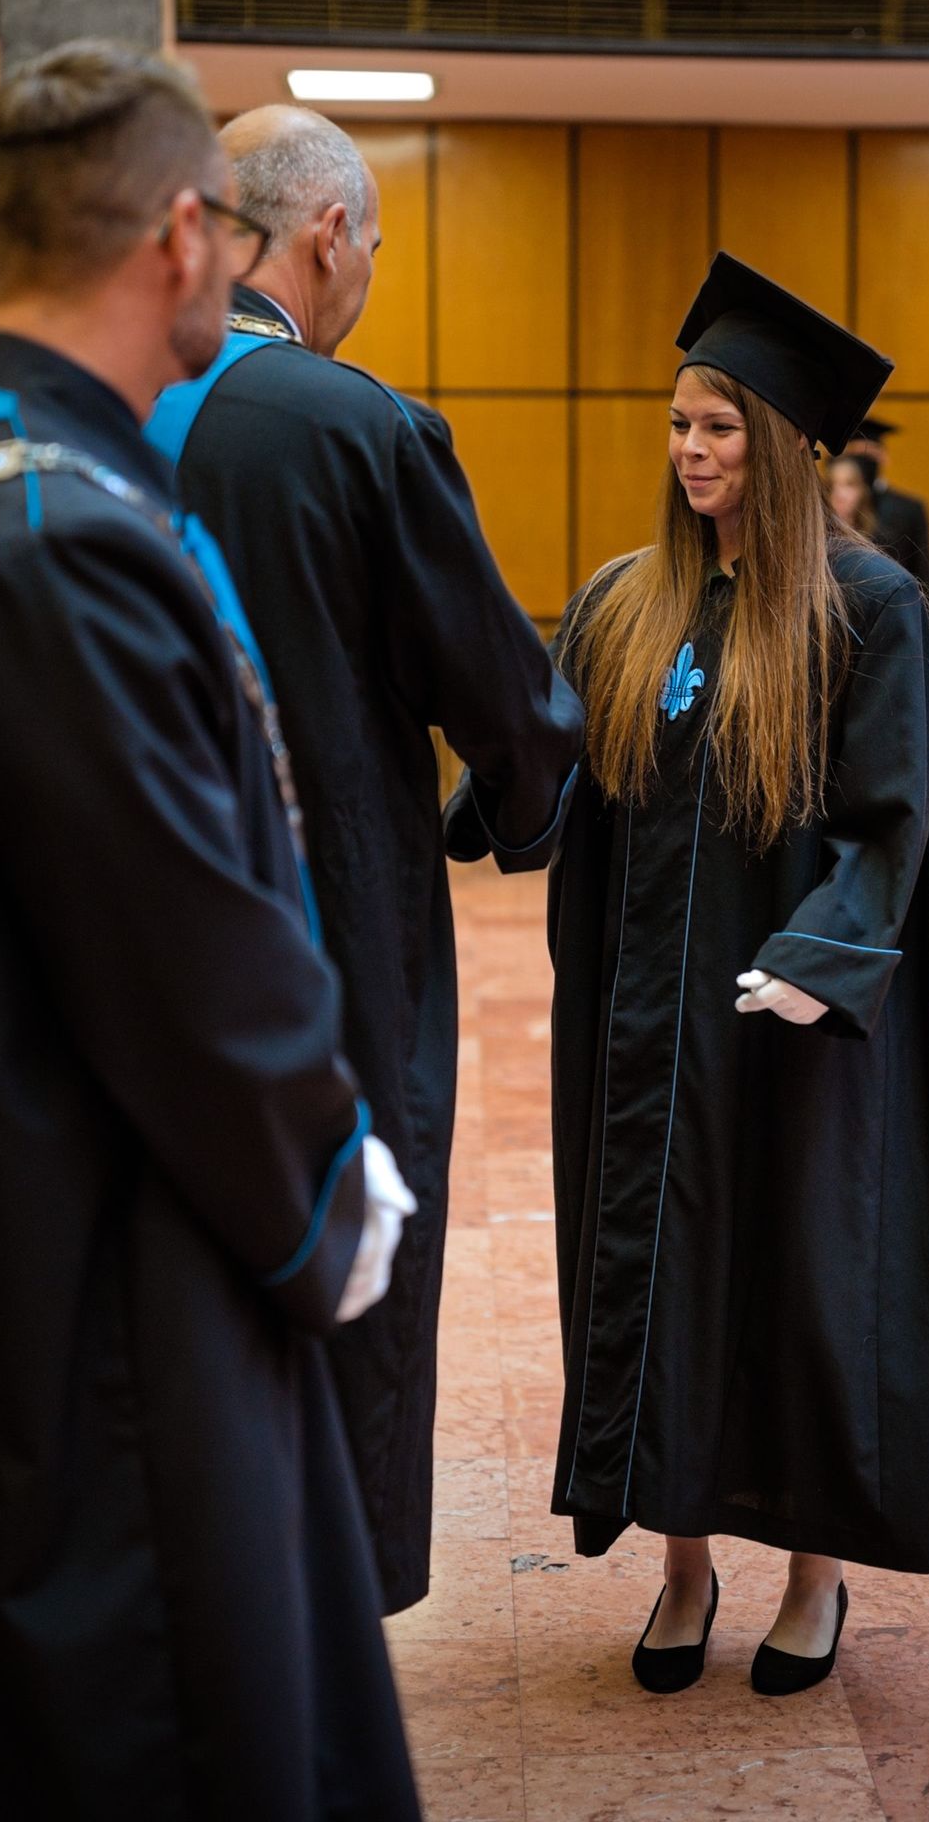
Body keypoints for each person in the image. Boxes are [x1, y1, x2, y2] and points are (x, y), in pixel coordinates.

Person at [0, 42, 422, 1822]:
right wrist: (332, 1192)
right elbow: (188, 967)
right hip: (122, 1268)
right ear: (184, 236)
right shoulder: (58, 534)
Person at [147, 104, 584, 1616]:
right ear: (328, 231)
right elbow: (502, 694)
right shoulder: (355, 425)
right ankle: (323, 1616)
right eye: (378, 245)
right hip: (327, 933)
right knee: (348, 1251)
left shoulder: (106, 402)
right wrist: (527, 813)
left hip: (120, 929)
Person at [539, 252, 929, 1698]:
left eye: (719, 427)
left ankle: (813, 1579)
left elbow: (889, 820)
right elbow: (548, 763)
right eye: (678, 424)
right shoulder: (625, 599)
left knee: (797, 1284)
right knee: (661, 1287)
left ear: (783, 444)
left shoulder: (864, 608)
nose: (692, 451)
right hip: (648, 1027)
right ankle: (683, 1569)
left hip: (790, 1025)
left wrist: (815, 962)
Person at [847, 414, 929, 594]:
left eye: (869, 456)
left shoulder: (909, 509)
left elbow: (923, 574)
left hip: (894, 600)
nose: (864, 464)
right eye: (857, 456)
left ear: (884, 457)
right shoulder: (832, 505)